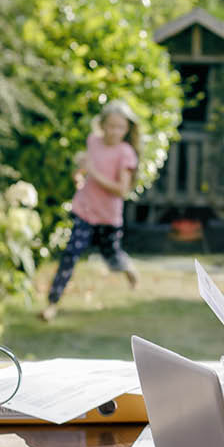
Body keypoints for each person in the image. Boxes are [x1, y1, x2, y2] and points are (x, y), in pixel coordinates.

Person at [40, 100, 141, 322]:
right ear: (102, 124)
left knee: (112, 257)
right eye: (110, 125)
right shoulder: (93, 142)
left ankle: (128, 269)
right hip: (85, 210)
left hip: (108, 217)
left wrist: (93, 173)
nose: (114, 131)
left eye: (120, 127)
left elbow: (121, 189)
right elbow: (85, 168)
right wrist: (79, 174)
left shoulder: (125, 153)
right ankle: (52, 304)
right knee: (70, 256)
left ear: (127, 129)